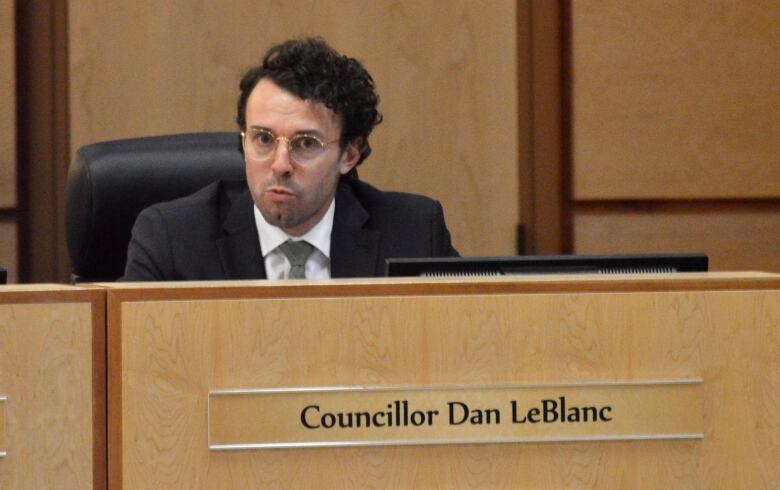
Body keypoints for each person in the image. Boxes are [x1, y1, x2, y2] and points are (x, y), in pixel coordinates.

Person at [121, 37, 457, 281]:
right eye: (263, 139)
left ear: (349, 155)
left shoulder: (413, 233)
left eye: (306, 144)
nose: (280, 164)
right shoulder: (172, 239)